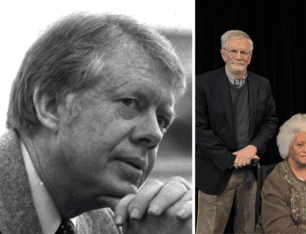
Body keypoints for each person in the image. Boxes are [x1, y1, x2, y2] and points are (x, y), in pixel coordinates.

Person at [0, 13, 191, 234]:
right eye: (130, 103)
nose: (155, 134)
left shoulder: (111, 223)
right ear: (51, 107)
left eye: (162, 120)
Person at [196, 30, 278, 233]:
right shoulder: (203, 83)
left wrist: (252, 148)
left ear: (250, 57)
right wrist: (230, 159)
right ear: (223, 54)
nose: (239, 57)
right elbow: (198, 128)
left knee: (247, 230)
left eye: (244, 52)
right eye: (234, 51)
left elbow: (270, 122)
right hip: (215, 171)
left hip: (249, 173)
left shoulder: (262, 85)